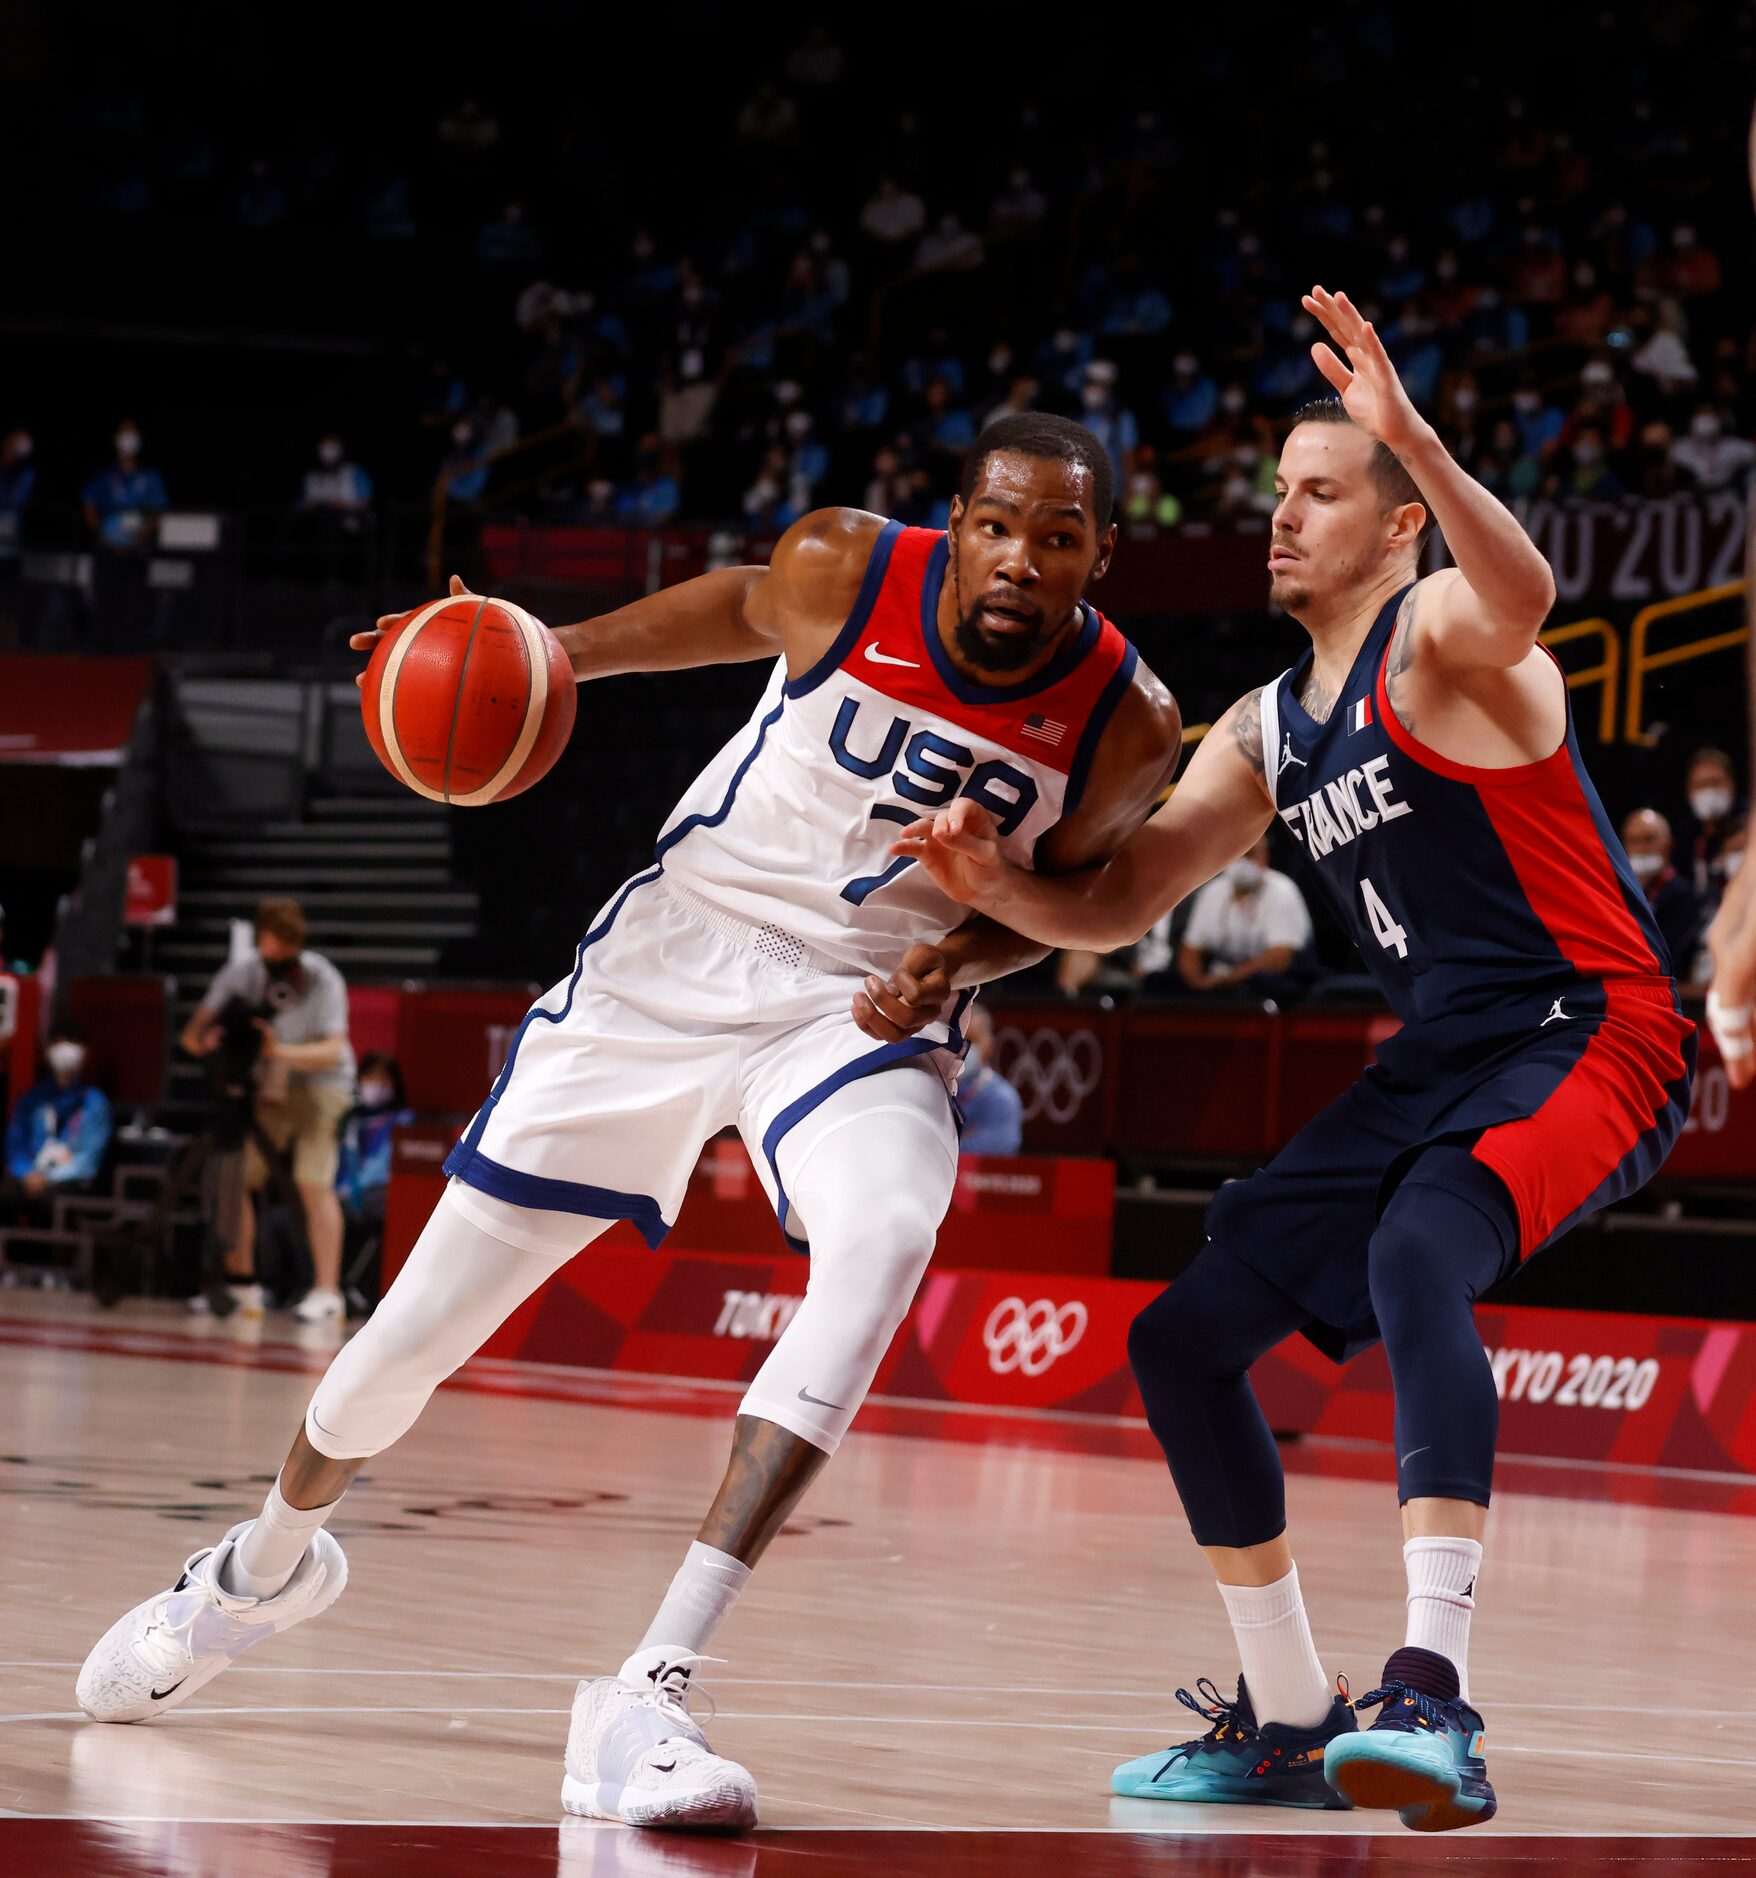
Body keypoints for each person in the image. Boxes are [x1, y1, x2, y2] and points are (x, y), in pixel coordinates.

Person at [77, 413, 1182, 1834]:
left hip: (852, 1007)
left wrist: (950, 962)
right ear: (956, 519)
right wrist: (543, 651)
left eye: (1059, 535)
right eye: (998, 523)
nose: (1022, 558)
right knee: (397, 1350)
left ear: (1104, 551)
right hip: (676, 957)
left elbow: (1063, 907)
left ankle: (648, 1688)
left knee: (891, 1229)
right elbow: (733, 606)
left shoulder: (1127, 724)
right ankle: (258, 1568)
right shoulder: (845, 565)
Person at [895, 288, 1695, 1833]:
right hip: (1445, 1055)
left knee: (1419, 1249)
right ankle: (1285, 1720)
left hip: (1593, 1027)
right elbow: (1124, 899)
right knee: (1181, 1343)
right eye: (1276, 490)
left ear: (1401, 525)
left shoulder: (1450, 639)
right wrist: (989, 884)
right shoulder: (1264, 726)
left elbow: (1523, 591)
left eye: (1320, 490)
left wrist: (1419, 439)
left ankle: (1434, 1697)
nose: (1281, 516)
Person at [178, 899, 355, 1322]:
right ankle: (244, 1288)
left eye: (288, 954)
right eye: (273, 951)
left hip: (321, 1086)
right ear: (260, 940)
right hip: (267, 1088)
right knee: (235, 1176)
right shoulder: (241, 975)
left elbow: (333, 1050)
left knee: (312, 1182)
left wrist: (280, 1052)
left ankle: (328, 1292)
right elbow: (191, 1035)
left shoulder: (322, 976)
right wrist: (209, 1045)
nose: (279, 964)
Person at [1174, 836, 1313, 999]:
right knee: (1161, 983)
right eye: (1237, 855)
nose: (1241, 862)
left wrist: (1227, 978)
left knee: (1263, 983)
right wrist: (1198, 982)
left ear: (1265, 857)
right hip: (1221, 982)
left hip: (1271, 984)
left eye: (1249, 855)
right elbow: (1190, 951)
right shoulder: (1213, 891)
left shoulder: (1282, 891)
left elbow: (1280, 958)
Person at [1, 1023, 111, 1228]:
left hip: (70, 1180)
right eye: (59, 1043)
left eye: (72, 1043)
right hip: (29, 1176)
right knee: (7, 1194)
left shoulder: (95, 1102)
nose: (66, 1050)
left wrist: (48, 1178)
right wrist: (26, 1172)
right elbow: (15, 1144)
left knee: (49, 1202)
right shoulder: (32, 1098)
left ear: (85, 1051)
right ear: (48, 1049)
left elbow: (88, 1160)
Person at [334, 1053, 414, 1308]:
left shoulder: (402, 1120)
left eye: (383, 1078)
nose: (375, 1083)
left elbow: (385, 1167)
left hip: (376, 1191)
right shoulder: (350, 1119)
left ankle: (353, 1287)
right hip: (340, 1191)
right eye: (370, 1076)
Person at [1620, 808, 1705, 985]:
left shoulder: (1688, 897)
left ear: (1669, 844)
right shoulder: (1619, 896)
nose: (1641, 848)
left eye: (1649, 839)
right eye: (1634, 841)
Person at [955, 1003, 1023, 1156]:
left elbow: (992, 1155)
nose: (963, 1047)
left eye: (971, 1040)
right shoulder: (922, 1086)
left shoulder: (1002, 1098)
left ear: (989, 1045)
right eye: (958, 1039)